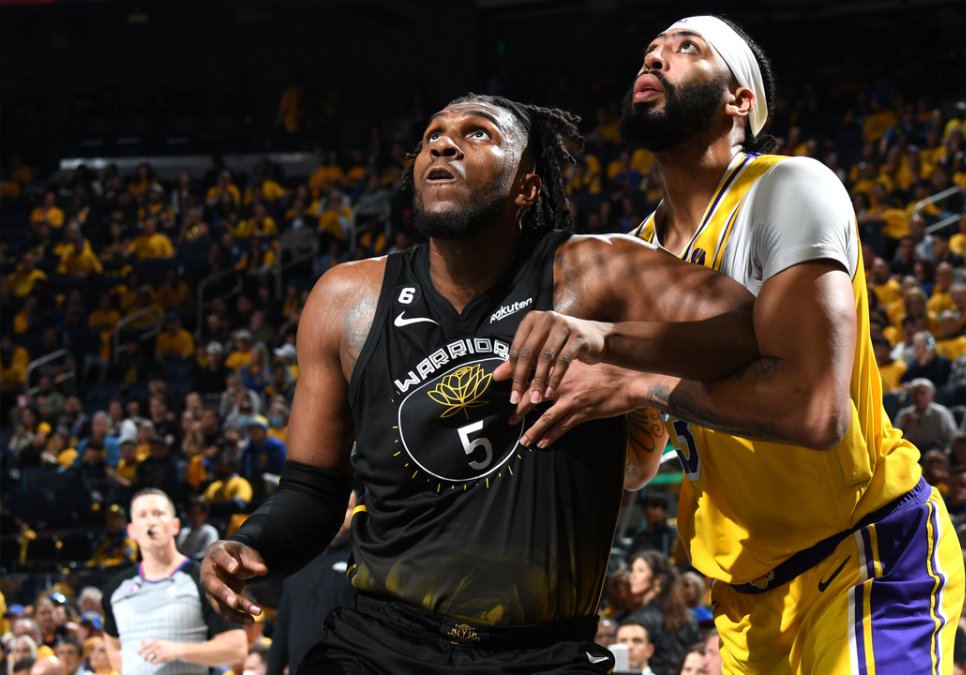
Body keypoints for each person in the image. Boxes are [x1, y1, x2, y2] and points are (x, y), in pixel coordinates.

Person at [200, 94, 758, 673]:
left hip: (542, 653)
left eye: (478, 134)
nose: (442, 143)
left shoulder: (599, 272)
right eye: (432, 135)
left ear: (527, 187)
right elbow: (314, 489)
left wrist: (624, 358)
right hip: (378, 644)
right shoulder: (347, 300)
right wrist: (255, 542)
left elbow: (751, 329)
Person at [502, 16, 963, 672]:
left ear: (739, 100)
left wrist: (641, 377)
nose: (656, 57)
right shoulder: (634, 256)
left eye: (686, 48)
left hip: (864, 557)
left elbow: (813, 410)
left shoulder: (788, 189)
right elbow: (640, 461)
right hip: (744, 605)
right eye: (651, 50)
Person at [102, 489, 247, 674]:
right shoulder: (115, 589)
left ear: (175, 526)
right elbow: (114, 648)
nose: (151, 521)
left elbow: (237, 648)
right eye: (142, 515)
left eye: (158, 514)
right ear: (131, 530)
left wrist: (179, 650)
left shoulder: (204, 579)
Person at [266, 493, 357, 675]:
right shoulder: (299, 560)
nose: (340, 514)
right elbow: (283, 624)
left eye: (347, 508)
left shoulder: (361, 562)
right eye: (334, 505)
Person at [626, 551, 701, 675]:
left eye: (640, 570)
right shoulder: (689, 615)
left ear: (657, 579)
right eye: (632, 570)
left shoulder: (642, 619)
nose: (632, 576)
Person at [896, 378, 958, 452]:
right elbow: (895, 441)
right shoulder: (904, 414)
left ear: (931, 396)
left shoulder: (941, 413)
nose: (919, 398)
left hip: (936, 450)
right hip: (911, 452)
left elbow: (952, 438)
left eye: (923, 394)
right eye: (915, 394)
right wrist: (906, 425)